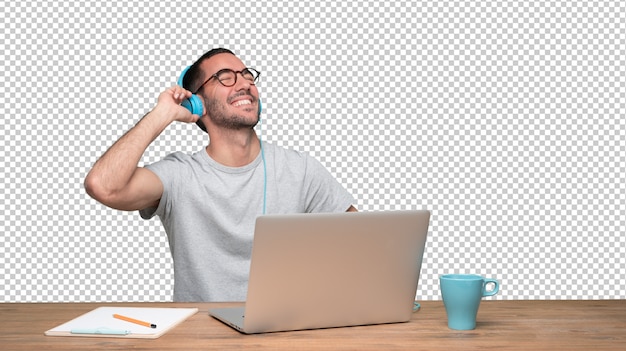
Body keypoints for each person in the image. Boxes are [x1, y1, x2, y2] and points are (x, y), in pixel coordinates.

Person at [84, 48, 357, 302]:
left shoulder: (301, 170)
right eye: (225, 77)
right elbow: (104, 186)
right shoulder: (179, 175)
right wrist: (161, 114)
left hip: (281, 332)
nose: (244, 83)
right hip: (199, 336)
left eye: (247, 76)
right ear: (196, 103)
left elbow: (364, 245)